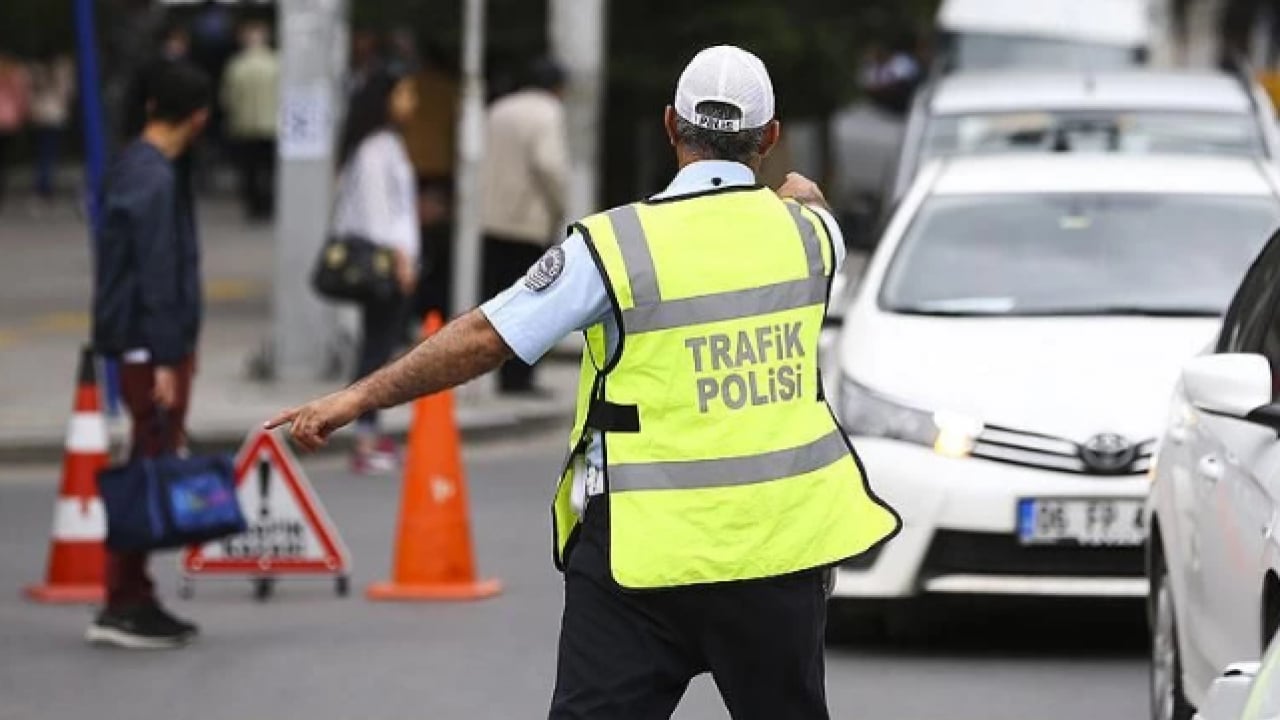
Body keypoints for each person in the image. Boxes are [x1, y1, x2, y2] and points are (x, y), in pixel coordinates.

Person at [268, 45, 901, 718]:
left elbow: (487, 337)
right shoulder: (812, 236)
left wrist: (358, 396)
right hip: (777, 554)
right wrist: (793, 194)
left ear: (669, 126)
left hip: (639, 557)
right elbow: (801, 201)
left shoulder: (613, 247)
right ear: (770, 137)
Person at [89, 61, 211, 650]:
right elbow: (157, 274)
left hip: (145, 343)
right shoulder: (156, 178)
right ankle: (124, 600)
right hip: (149, 347)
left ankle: (133, 593)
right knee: (146, 466)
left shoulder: (134, 166)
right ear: (199, 117)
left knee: (148, 458)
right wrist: (168, 357)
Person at [329, 70, 420, 474]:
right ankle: (364, 437)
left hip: (391, 260)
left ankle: (370, 430)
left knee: (379, 345)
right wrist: (401, 260)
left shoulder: (384, 144)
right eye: (404, 92)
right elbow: (377, 214)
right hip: (383, 264)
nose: (411, 101)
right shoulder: (374, 149)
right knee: (376, 349)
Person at [479, 57, 568, 395]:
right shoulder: (548, 112)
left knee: (499, 300)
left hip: (492, 218)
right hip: (527, 221)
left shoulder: (498, 109)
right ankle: (521, 378)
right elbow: (549, 164)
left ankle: (502, 374)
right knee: (532, 301)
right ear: (559, 88)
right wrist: (559, 205)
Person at [221, 21, 279, 221]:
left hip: (245, 125)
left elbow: (228, 97)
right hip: (272, 124)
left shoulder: (237, 66)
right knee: (270, 169)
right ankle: (268, 204)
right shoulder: (276, 64)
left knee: (250, 170)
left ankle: (254, 205)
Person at [27, 50, 76, 203]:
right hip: (55, 115)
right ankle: (45, 185)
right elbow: (68, 92)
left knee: (42, 152)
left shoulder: (36, 71)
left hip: (41, 115)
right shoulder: (61, 70)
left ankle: (42, 184)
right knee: (49, 152)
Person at [0, 51, 30, 210]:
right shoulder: (14, 74)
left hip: (7, 119)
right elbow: (20, 97)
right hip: (8, 121)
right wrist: (21, 115)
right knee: (3, 160)